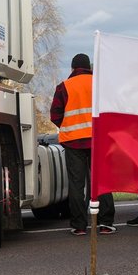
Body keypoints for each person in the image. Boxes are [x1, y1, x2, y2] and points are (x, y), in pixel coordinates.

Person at [50, 52, 115, 235]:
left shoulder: (64, 86)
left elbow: (55, 114)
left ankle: (79, 225)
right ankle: (105, 223)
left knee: (77, 184)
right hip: (98, 140)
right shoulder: (99, 85)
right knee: (101, 181)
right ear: (89, 66)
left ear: (72, 68)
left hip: (73, 141)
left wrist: (69, 127)